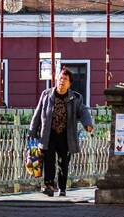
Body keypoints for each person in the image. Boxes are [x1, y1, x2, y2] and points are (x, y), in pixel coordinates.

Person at [28, 68, 94, 197]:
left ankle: (62, 188)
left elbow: (83, 111)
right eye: (60, 79)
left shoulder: (75, 97)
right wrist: (32, 130)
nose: (62, 81)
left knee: (63, 163)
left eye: (65, 79)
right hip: (48, 134)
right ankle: (49, 186)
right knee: (49, 161)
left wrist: (88, 124)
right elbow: (38, 113)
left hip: (66, 135)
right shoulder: (46, 95)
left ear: (70, 83)